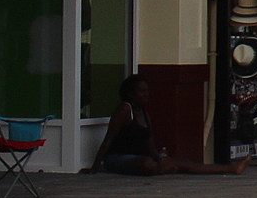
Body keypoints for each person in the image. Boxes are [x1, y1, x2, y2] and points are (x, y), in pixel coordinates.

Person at [90, 74, 245, 175]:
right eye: (141, 91)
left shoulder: (145, 113)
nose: (146, 95)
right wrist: (95, 168)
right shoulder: (125, 110)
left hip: (141, 157)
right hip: (117, 159)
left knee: (183, 162)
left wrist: (161, 159)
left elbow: (150, 145)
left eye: (147, 91)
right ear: (130, 93)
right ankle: (161, 169)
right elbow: (108, 139)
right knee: (145, 163)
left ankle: (230, 168)